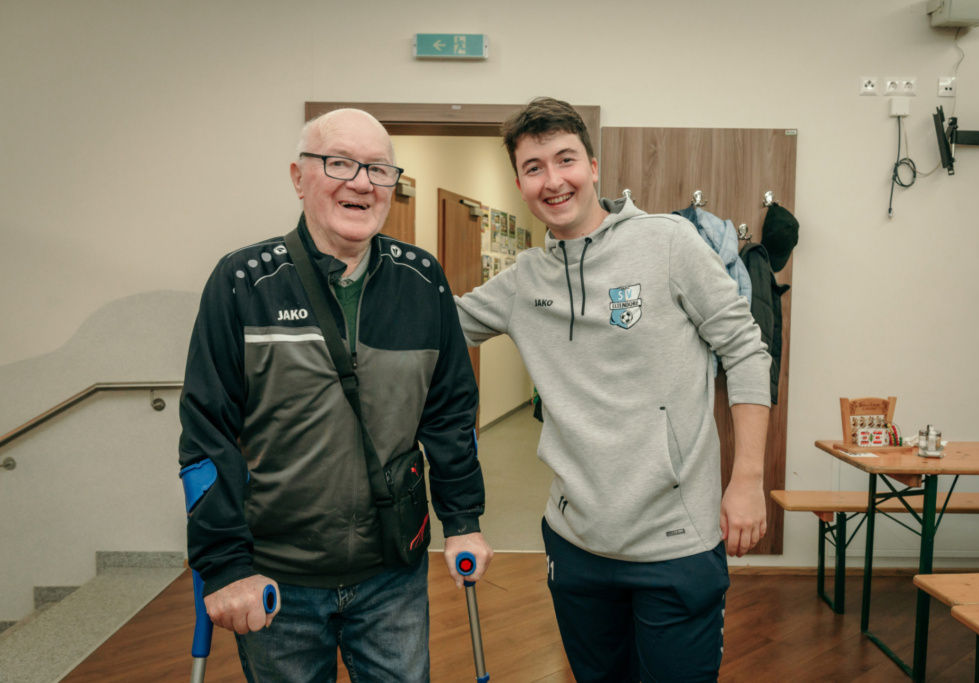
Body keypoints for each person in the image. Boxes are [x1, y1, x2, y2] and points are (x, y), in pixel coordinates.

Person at [455, 97, 771, 683]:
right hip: (576, 545)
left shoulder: (669, 242)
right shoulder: (524, 281)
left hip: (676, 545)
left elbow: (746, 349)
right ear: (521, 185)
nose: (553, 180)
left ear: (593, 167)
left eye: (565, 159)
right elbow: (433, 329)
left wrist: (747, 478)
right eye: (533, 168)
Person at [178, 108, 492, 683]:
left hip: (393, 571)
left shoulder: (422, 280)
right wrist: (225, 566)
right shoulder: (243, 282)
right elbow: (207, 434)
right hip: (278, 578)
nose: (362, 183)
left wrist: (463, 520)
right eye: (340, 163)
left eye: (378, 169)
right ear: (299, 177)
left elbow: (450, 415)